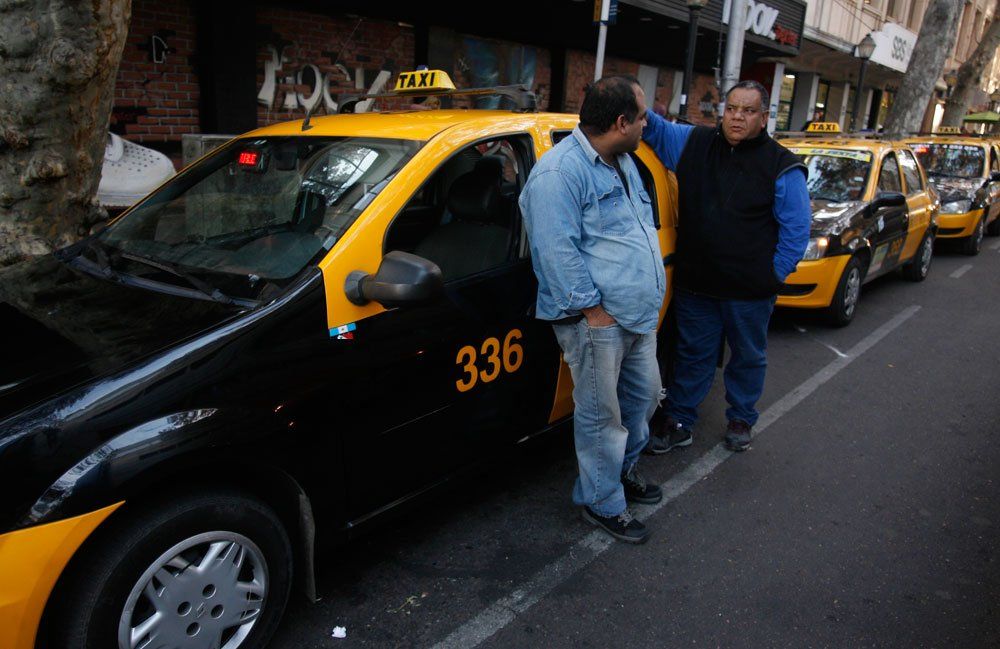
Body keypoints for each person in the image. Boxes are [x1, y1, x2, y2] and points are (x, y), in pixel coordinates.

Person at [520, 76, 665, 544]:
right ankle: (602, 502)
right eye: (642, 116)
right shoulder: (559, 173)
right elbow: (554, 252)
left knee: (643, 400)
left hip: (636, 316)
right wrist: (593, 313)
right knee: (602, 417)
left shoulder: (624, 160)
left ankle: (619, 474)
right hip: (598, 321)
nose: (648, 123)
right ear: (622, 122)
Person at [641, 80, 811, 454]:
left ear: (764, 118)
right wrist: (628, 96)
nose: (737, 117)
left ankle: (741, 418)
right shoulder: (694, 143)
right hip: (697, 285)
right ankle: (680, 420)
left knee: (747, 357)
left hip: (749, 292)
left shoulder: (783, 165)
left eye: (748, 111)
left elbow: (797, 231)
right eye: (731, 108)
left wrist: (772, 276)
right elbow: (652, 127)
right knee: (691, 356)